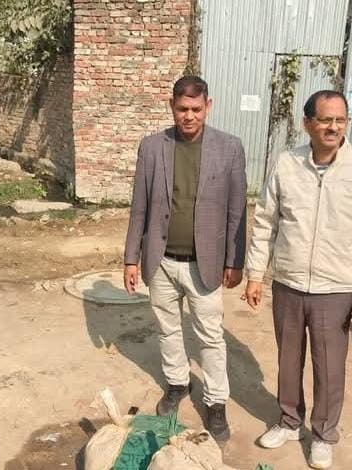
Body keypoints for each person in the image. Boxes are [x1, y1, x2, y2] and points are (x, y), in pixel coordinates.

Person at [243, 90, 352, 469]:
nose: (333, 127)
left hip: (335, 288)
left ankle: (323, 434)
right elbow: (265, 221)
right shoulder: (287, 164)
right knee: (288, 360)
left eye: (340, 120)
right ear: (307, 123)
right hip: (289, 282)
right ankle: (290, 421)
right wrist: (255, 274)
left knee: (329, 366)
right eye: (325, 120)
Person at [123, 75, 247, 442]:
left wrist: (235, 261)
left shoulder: (229, 148)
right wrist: (131, 258)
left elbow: (237, 211)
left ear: (208, 106)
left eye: (195, 109)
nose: (188, 116)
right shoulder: (152, 148)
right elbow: (139, 208)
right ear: (171, 106)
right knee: (168, 328)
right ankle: (177, 383)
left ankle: (216, 401)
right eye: (181, 109)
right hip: (160, 259)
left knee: (210, 336)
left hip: (204, 263)